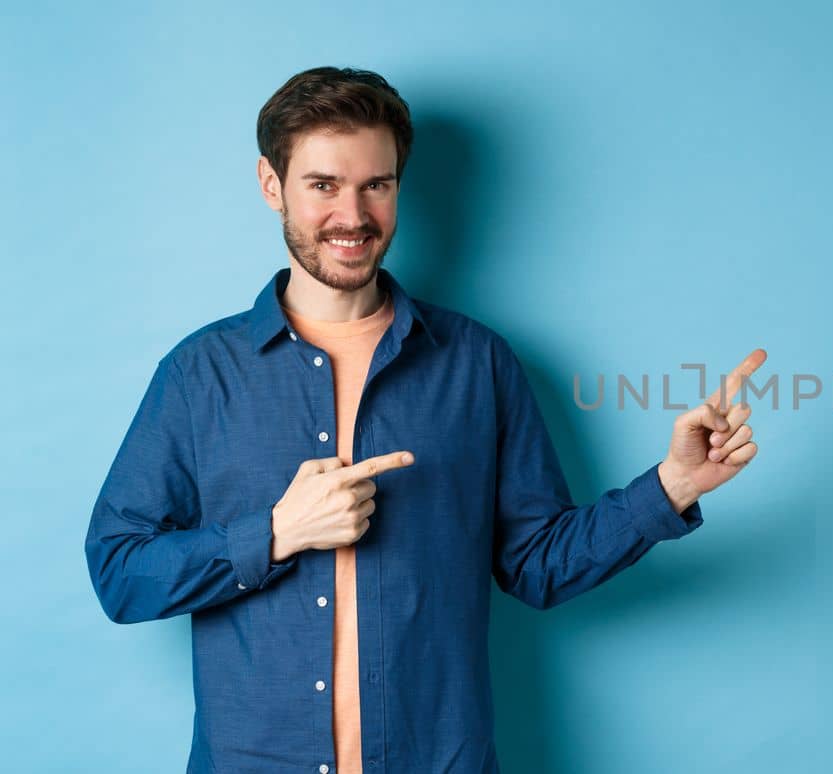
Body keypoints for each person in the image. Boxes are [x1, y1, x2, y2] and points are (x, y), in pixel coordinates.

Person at [83, 66, 766, 774]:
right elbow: (119, 572)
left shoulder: (478, 365)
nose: (352, 215)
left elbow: (537, 566)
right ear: (271, 185)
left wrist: (673, 484)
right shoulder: (200, 375)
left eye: (375, 184)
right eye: (323, 185)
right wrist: (279, 532)